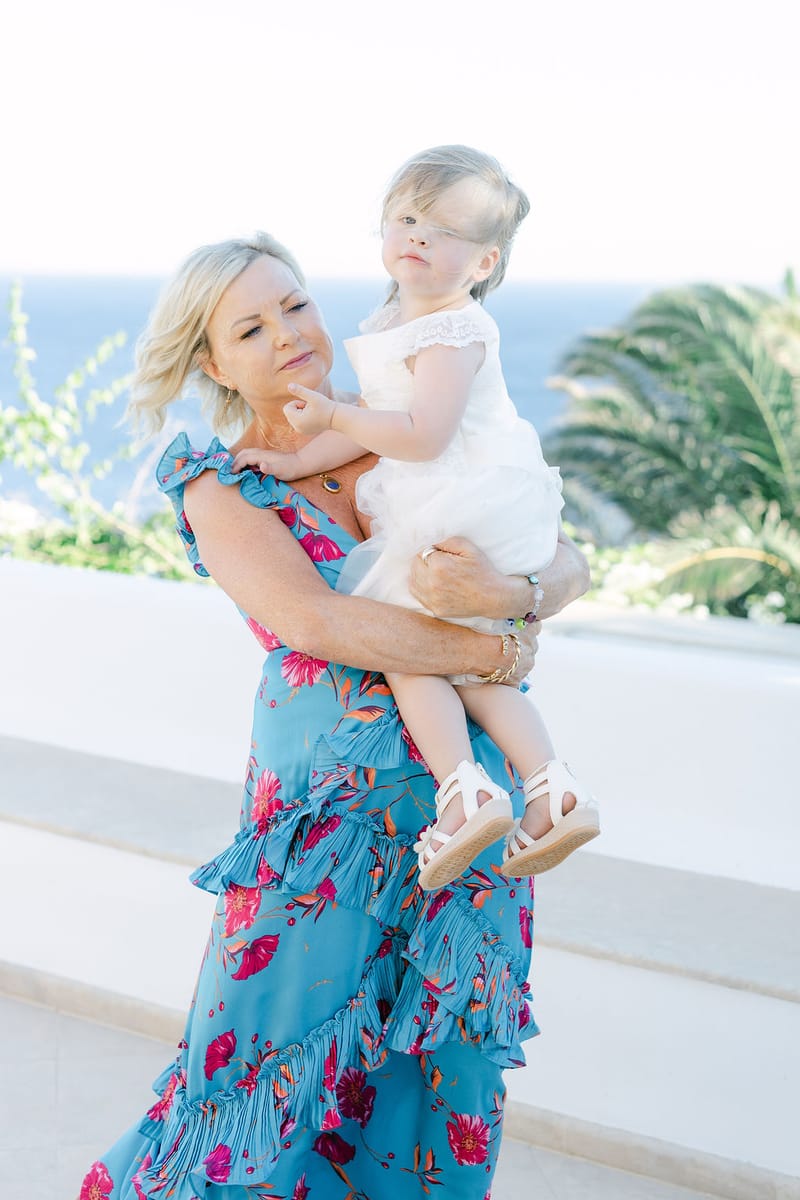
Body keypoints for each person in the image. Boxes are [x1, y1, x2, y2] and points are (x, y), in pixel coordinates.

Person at [78, 232, 590, 1200]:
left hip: (464, 815)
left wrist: (514, 586)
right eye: (250, 326)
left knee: (442, 1076)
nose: (287, 336)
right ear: (212, 363)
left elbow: (565, 556)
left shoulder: (412, 426)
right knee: (262, 1067)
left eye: (296, 304)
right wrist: (494, 649)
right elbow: (319, 619)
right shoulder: (222, 484)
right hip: (323, 831)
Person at [232, 146, 599, 893]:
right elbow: (373, 418)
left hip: (464, 497)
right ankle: (550, 787)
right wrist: (300, 461)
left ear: (483, 263)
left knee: (402, 638)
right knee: (468, 662)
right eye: (405, 217)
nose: (417, 237)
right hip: (448, 497)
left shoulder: (452, 333)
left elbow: (422, 433)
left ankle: (463, 789)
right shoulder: (403, 318)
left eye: (444, 230)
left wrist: (332, 412)